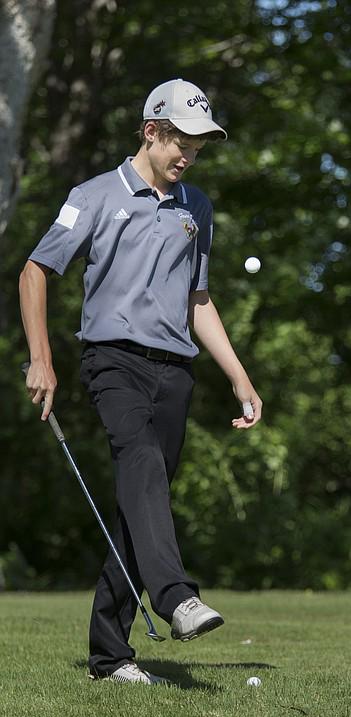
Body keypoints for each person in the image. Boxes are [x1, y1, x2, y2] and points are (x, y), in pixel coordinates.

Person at [19, 78, 262, 685]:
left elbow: (198, 299)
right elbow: (35, 270)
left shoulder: (196, 207)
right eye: (182, 143)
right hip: (113, 361)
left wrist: (239, 376)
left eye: (198, 148)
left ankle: (109, 656)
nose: (189, 156)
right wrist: (41, 358)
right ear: (151, 131)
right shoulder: (94, 196)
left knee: (141, 501)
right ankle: (176, 595)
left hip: (175, 373)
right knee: (143, 466)